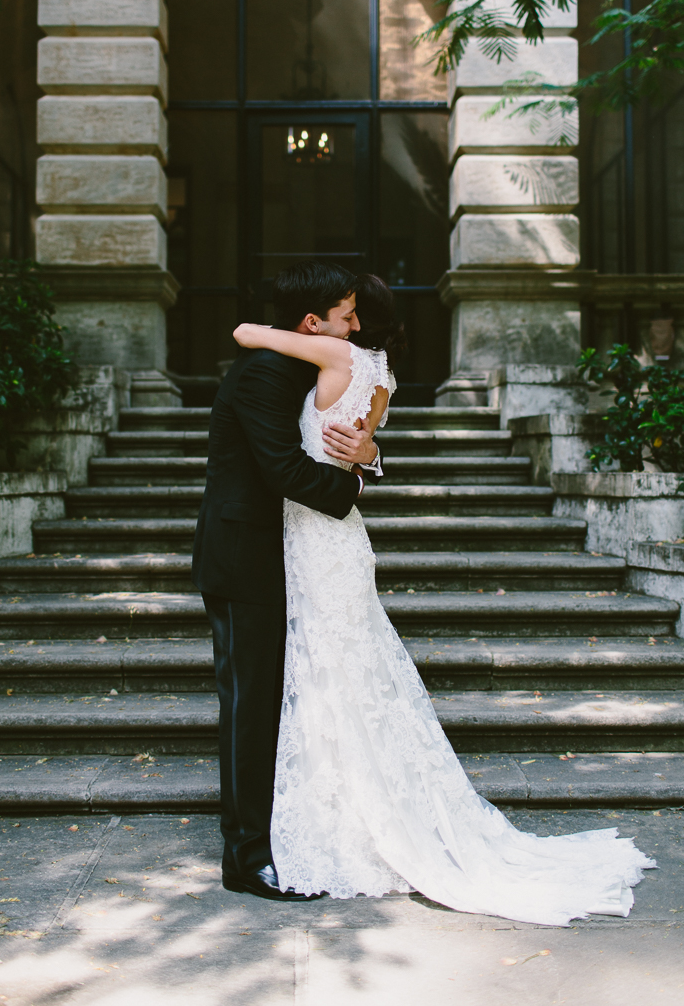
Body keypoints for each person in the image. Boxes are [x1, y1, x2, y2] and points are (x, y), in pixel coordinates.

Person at [231, 271, 655, 928]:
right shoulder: (382, 372)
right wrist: (368, 454)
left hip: (319, 537)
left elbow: (246, 332)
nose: (345, 323)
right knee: (343, 672)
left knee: (331, 673)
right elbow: (359, 451)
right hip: (337, 539)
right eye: (339, 313)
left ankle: (344, 821)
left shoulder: (342, 354)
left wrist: (299, 337)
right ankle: (345, 810)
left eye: (348, 313)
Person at [192, 261, 383, 902]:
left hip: (287, 558)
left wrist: (370, 455)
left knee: (278, 702)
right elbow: (283, 469)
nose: (355, 327)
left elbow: (339, 434)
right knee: (249, 709)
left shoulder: (299, 365)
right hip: (246, 559)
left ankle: (281, 834)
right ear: (312, 322)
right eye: (346, 315)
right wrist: (353, 484)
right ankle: (246, 860)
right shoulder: (267, 373)